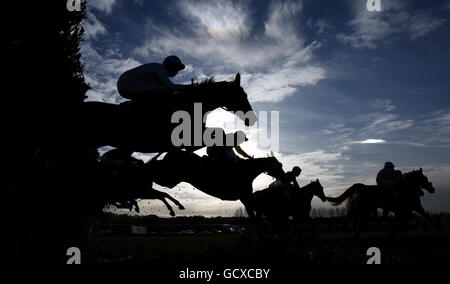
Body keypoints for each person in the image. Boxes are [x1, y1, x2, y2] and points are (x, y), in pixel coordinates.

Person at [117, 56, 187, 101]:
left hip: (126, 84)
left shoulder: (158, 71)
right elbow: (169, 86)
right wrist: (187, 87)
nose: (177, 71)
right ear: (170, 65)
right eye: (176, 68)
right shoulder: (160, 68)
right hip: (128, 81)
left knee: (159, 91)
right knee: (162, 90)